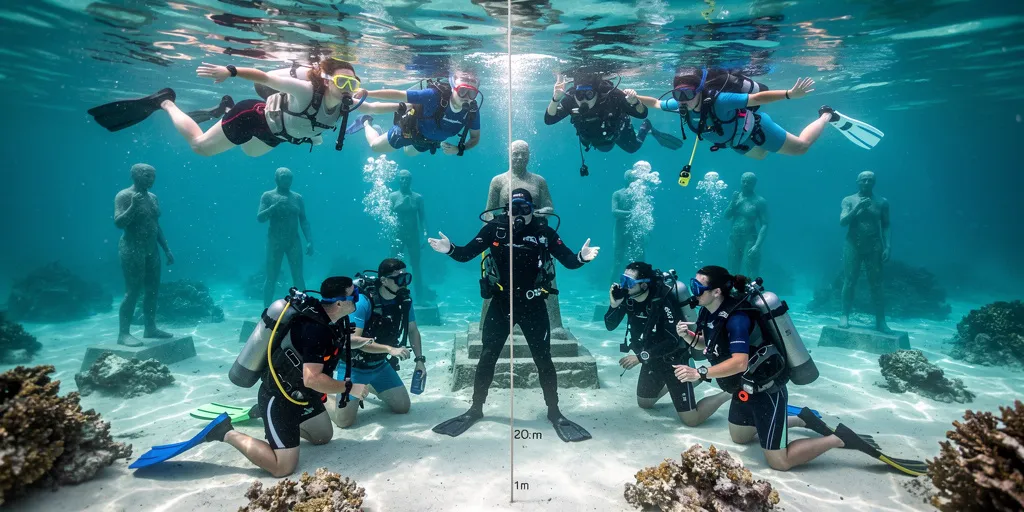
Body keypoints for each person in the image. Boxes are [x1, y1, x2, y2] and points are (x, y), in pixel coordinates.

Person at [427, 188, 600, 442]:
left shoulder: (543, 232)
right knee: (488, 356)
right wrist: (450, 249)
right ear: (505, 211)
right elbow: (466, 254)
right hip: (501, 304)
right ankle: (475, 409)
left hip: (533, 305)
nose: (518, 215)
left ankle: (554, 412)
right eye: (513, 210)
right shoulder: (494, 229)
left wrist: (582, 257)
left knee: (544, 359)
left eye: (524, 209)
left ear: (533, 210)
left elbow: (568, 260)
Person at [672, 266, 847, 471]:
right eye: (692, 285)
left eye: (698, 287)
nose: (694, 292)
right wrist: (688, 336)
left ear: (717, 291)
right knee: (739, 437)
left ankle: (839, 438)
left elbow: (740, 362)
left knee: (780, 462)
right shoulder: (708, 312)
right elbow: (710, 344)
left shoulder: (737, 318)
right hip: (742, 388)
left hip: (765, 390)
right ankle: (799, 419)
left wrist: (700, 372)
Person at [206, 277, 361, 477]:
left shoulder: (335, 320)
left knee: (323, 436)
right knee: (283, 468)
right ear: (339, 303)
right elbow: (312, 379)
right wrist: (348, 387)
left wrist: (375, 344)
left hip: (303, 396)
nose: (357, 298)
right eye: (353, 295)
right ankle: (225, 432)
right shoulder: (315, 329)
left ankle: (274, 425)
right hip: (279, 397)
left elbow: (339, 344)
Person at [87, 59, 397, 157]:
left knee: (250, 154)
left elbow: (375, 106)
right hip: (251, 117)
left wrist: (410, 104)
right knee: (200, 148)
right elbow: (265, 78)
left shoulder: (347, 104)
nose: (348, 89)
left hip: (277, 135)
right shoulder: (305, 91)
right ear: (326, 81)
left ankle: (222, 112)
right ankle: (165, 101)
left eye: (353, 83)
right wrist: (231, 71)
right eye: (342, 82)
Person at [638, 68, 867, 160]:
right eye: (678, 95)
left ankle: (827, 114)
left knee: (800, 148)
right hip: (735, 140)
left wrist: (790, 94)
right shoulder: (680, 105)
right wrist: (628, 96)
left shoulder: (721, 100)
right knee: (760, 157)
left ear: (699, 91)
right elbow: (656, 103)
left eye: (687, 94)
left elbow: (757, 99)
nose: (683, 100)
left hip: (755, 130)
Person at [604, 262, 730, 426]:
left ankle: (729, 393)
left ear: (643, 285)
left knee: (691, 420)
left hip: (674, 360)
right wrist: (613, 305)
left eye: (629, 282)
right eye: (623, 280)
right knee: (645, 403)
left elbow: (673, 340)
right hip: (652, 358)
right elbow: (610, 325)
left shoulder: (662, 299)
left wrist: (640, 357)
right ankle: (692, 382)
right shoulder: (628, 298)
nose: (623, 286)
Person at [326, 259, 426, 428]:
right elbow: (352, 340)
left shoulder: (404, 301)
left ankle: (368, 385)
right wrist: (389, 349)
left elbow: (412, 330)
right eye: (399, 279)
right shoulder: (363, 302)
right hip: (353, 367)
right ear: (384, 280)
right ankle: (320, 394)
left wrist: (420, 361)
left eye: (407, 278)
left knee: (402, 407)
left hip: (379, 365)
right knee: (344, 421)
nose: (404, 283)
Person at [349, 70, 482, 156]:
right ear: (453, 88)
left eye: (472, 93)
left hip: (429, 142)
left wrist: (459, 149)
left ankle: (405, 111)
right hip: (408, 132)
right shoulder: (433, 96)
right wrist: (368, 93)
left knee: (409, 153)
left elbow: (475, 137)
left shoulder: (472, 111)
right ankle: (366, 121)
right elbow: (398, 94)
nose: (467, 97)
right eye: (462, 91)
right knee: (375, 147)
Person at [113, 163, 174, 347]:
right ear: (135, 175)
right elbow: (118, 223)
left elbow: (156, 226)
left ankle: (150, 328)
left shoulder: (153, 198)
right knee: (133, 291)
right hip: (132, 248)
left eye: (153, 176)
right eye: (147, 175)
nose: (151, 179)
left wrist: (166, 249)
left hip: (151, 249)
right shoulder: (124, 196)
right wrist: (133, 206)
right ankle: (123, 334)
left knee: (153, 289)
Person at [839, 171, 891, 332]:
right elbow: (843, 221)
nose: (867, 183)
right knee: (849, 281)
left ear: (874, 182)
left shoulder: (882, 202)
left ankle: (881, 321)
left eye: (870, 180)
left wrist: (888, 246)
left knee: (877, 283)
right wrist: (857, 208)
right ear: (858, 182)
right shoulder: (848, 200)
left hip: (875, 246)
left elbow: (886, 225)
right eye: (864, 180)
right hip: (853, 245)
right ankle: (844, 315)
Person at [258, 167, 313, 307]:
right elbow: (260, 218)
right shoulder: (268, 196)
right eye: (284, 177)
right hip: (274, 241)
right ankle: (266, 311)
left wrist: (309, 240)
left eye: (290, 178)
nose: (287, 181)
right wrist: (274, 207)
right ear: (276, 179)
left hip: (293, 241)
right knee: (271, 277)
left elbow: (304, 220)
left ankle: (304, 308)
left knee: (298, 277)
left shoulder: (297, 198)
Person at [724, 172, 768, 277]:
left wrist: (757, 245)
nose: (745, 184)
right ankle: (733, 287)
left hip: (749, 239)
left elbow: (765, 224)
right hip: (734, 239)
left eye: (749, 182)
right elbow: (726, 216)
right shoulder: (736, 198)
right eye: (743, 181)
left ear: (754, 184)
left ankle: (753, 287)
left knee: (751, 270)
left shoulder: (759, 201)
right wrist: (732, 202)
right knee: (732, 270)